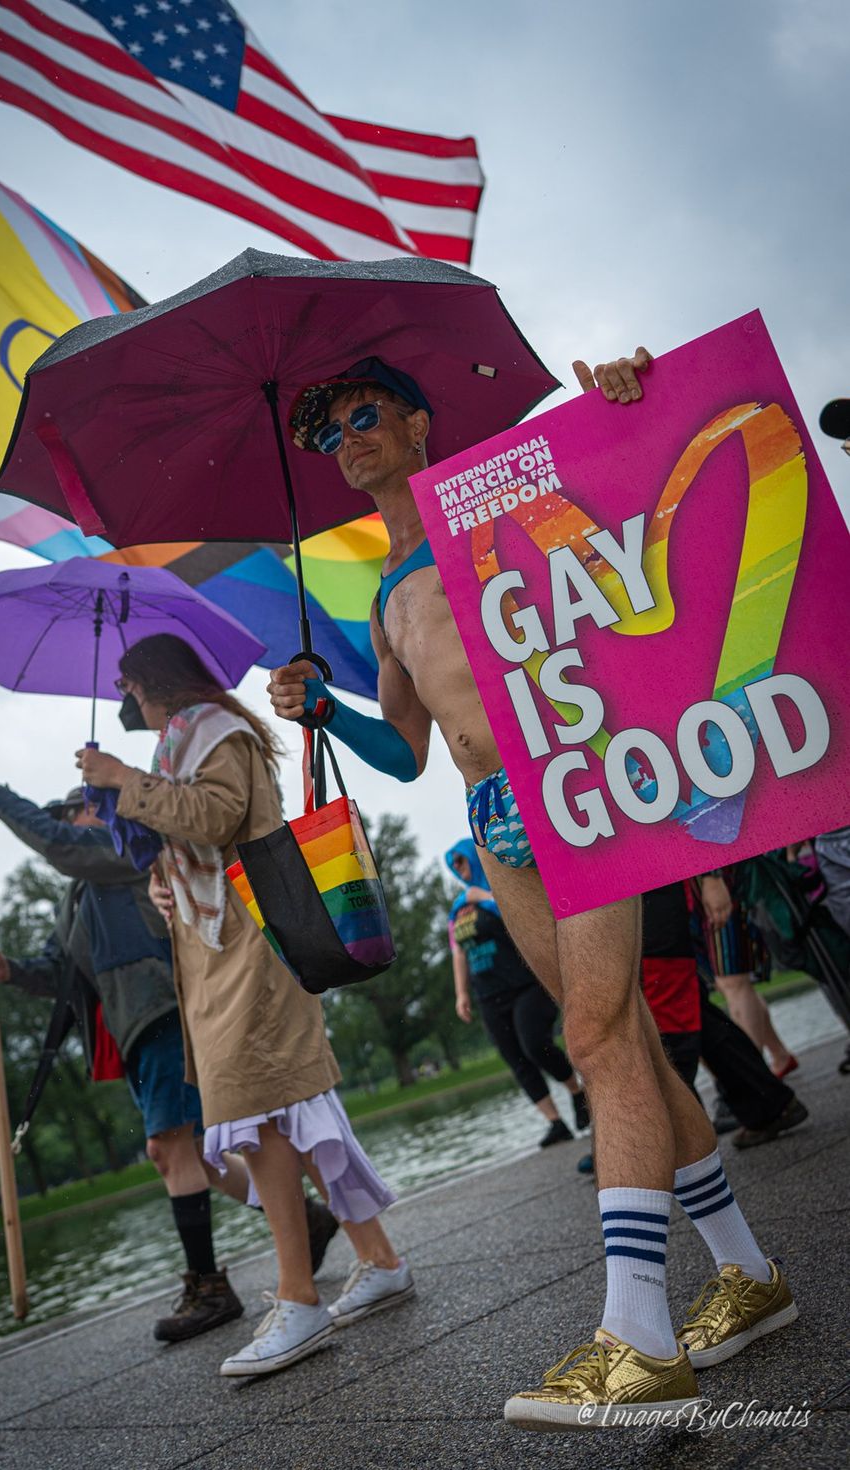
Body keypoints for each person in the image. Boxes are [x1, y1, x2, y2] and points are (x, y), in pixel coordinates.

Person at [267, 353, 796, 1429]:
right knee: (624, 1045)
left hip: (578, 784)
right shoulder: (379, 599)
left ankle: (636, 1338)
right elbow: (407, 749)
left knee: (597, 1040)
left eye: (361, 417)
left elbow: (625, 497)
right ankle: (745, 1274)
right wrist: (322, 711)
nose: (345, 441)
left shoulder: (501, 505)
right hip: (493, 816)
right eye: (326, 436)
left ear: (416, 422)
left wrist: (623, 398)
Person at [77, 635, 413, 1378]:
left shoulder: (217, 731)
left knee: (262, 1106)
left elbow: (219, 814)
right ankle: (379, 1259)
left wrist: (125, 778)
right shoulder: (180, 740)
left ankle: (298, 1299)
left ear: (154, 679)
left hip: (254, 938)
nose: (128, 699)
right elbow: (190, 837)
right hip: (220, 940)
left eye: (130, 685)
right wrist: (164, 875)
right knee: (294, 1105)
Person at [0, 759, 339, 1345]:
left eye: (77, 810)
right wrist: (9, 970)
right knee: (194, 1158)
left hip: (162, 1011)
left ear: (100, 813)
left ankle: (210, 1286)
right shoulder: (79, 899)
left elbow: (59, 844)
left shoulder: (122, 851)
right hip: (130, 1030)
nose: (70, 821)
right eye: (66, 813)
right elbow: (61, 971)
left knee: (168, 1148)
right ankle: (301, 1217)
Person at [641, 882, 809, 1149]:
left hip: (644, 898)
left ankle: (682, 1142)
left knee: (668, 1020)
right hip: (626, 903)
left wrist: (712, 877)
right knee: (689, 1011)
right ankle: (766, 1103)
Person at [446, 839, 588, 1147]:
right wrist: (461, 994)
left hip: (526, 984)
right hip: (487, 995)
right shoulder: (457, 908)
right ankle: (555, 1123)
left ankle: (577, 1092)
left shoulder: (501, 887)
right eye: (453, 865)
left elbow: (523, 914)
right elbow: (458, 951)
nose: (459, 868)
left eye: (461, 860)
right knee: (516, 1059)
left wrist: (483, 896)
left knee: (534, 1044)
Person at [693, 868, 798, 1081]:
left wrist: (712, 875)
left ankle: (755, 1079)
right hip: (684, 890)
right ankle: (779, 1055)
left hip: (715, 877)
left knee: (732, 981)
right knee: (726, 985)